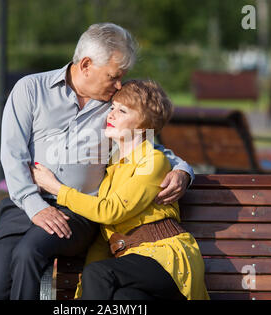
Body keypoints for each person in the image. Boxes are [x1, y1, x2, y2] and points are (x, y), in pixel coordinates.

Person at [0, 23, 195, 300]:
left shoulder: (115, 107)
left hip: (78, 213)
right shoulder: (31, 90)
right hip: (24, 205)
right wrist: (36, 208)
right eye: (114, 77)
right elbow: (13, 156)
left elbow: (149, 149)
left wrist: (182, 171)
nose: (119, 85)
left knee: (28, 251)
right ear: (86, 65)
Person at [32, 79, 209, 300]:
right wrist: (82, 293)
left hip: (167, 258)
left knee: (100, 274)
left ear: (145, 125)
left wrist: (56, 188)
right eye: (112, 107)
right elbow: (103, 236)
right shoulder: (111, 169)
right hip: (132, 264)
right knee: (124, 299)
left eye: (122, 111)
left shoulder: (152, 161)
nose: (111, 115)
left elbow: (110, 211)